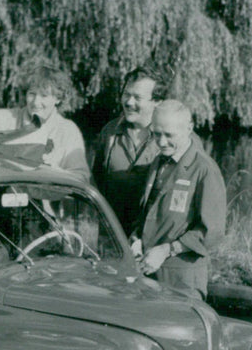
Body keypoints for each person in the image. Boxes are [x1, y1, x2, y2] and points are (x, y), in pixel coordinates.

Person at [130, 100, 226, 300]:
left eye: (169, 135)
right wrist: (136, 238)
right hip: (149, 273)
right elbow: (148, 211)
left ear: (189, 129)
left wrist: (167, 250)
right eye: (156, 134)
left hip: (182, 280)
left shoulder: (204, 170)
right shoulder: (159, 162)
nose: (161, 142)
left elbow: (212, 231)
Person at [92, 66, 162, 233]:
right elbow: (97, 178)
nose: (129, 102)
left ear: (157, 101)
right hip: (112, 234)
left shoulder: (168, 137)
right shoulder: (109, 131)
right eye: (126, 94)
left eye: (137, 97)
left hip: (151, 236)